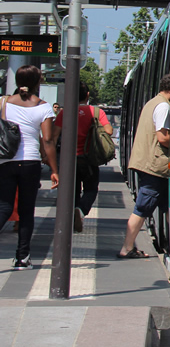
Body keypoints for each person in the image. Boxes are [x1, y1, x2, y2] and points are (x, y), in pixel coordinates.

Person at [0, 66, 59, 270]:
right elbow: (49, 141)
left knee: (5, 206)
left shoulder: (3, 103)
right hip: (30, 163)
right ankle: (22, 258)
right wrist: (54, 169)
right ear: (38, 83)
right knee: (26, 211)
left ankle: (22, 257)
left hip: (5, 162)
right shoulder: (44, 108)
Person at [118, 74, 170, 259]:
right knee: (143, 206)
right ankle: (127, 247)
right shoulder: (164, 106)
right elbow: (163, 138)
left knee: (168, 206)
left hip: (152, 164)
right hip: (155, 166)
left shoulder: (153, 102)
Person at [53, 82, 112, 233]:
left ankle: (73, 214)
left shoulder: (64, 113)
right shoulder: (96, 112)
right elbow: (109, 131)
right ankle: (81, 210)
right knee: (91, 189)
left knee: (72, 190)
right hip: (89, 159)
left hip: (68, 161)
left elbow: (54, 137)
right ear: (87, 95)